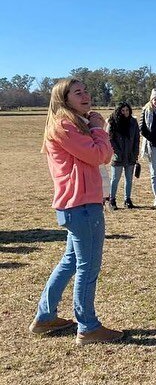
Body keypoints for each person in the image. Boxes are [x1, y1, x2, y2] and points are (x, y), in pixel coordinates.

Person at [29, 78, 123, 345]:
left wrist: (92, 127)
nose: (86, 96)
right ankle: (88, 326)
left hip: (76, 204)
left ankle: (45, 317)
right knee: (87, 266)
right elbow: (100, 156)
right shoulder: (65, 125)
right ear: (64, 99)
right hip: (81, 205)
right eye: (78, 93)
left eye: (86, 91)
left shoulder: (70, 123)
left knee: (70, 261)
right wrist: (98, 128)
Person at [107, 103, 139, 210]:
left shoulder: (133, 122)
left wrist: (135, 153)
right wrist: (116, 152)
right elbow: (110, 139)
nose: (125, 112)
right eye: (123, 110)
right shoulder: (113, 123)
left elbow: (136, 139)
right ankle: (112, 200)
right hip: (118, 156)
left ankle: (127, 200)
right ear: (118, 111)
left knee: (129, 179)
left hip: (130, 156)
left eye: (127, 110)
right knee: (115, 179)